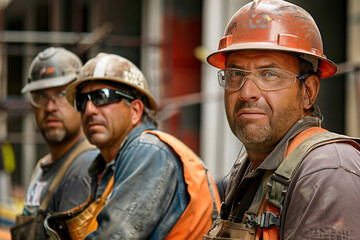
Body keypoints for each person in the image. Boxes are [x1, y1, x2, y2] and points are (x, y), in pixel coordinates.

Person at [203, 0, 360, 239]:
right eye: (236, 74)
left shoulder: (327, 172)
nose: (246, 93)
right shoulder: (251, 166)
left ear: (308, 91)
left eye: (269, 74)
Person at [56, 52, 221, 240]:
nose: (89, 109)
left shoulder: (148, 150)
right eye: (82, 101)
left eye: (102, 96)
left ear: (135, 110)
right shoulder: (110, 165)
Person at [12, 47, 99, 240]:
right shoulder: (45, 166)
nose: (50, 107)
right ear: (31, 106)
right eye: (40, 96)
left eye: (61, 94)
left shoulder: (84, 169)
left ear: (80, 100)